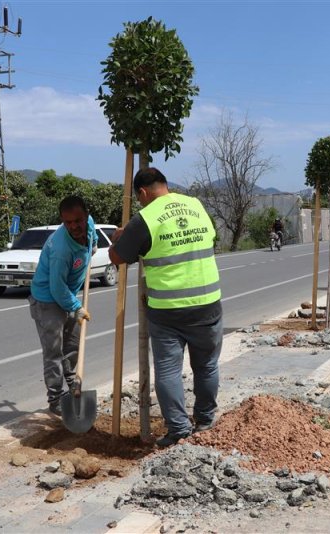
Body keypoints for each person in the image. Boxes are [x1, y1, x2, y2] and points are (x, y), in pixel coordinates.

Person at [109, 168, 223, 448]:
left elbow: (118, 256)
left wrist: (120, 238)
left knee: (168, 371)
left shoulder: (145, 218)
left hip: (168, 310)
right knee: (207, 366)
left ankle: (179, 429)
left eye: (139, 198)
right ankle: (206, 421)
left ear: (143, 193)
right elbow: (208, 239)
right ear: (165, 185)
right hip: (208, 303)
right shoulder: (195, 204)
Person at [29, 196, 95, 416]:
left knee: (73, 344)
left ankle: (72, 385)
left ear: (86, 215)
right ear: (62, 221)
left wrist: (91, 248)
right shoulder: (61, 249)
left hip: (66, 293)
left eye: (78, 221)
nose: (74, 227)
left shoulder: (91, 225)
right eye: (68, 223)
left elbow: (91, 240)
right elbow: (56, 287)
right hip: (47, 299)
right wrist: (76, 306)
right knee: (54, 352)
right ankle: (56, 398)